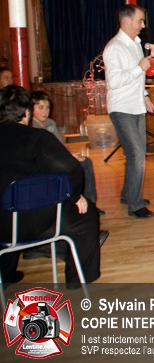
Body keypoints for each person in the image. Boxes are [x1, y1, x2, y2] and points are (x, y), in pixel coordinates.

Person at [0, 86, 102, 288]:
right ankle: (78, 278)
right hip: (37, 220)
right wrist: (75, 196)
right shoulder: (36, 138)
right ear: (27, 113)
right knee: (87, 214)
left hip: (2, 225)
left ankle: (5, 275)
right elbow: (71, 169)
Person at [102, 4, 154, 219]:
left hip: (136, 105)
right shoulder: (115, 47)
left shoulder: (136, 43)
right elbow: (114, 82)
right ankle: (135, 205)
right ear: (126, 22)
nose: (143, 25)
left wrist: (144, 95)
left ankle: (128, 194)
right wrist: (139, 67)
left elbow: (137, 79)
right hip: (122, 107)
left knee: (135, 154)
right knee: (136, 155)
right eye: (139, 21)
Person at [30, 91, 101, 211]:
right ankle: (78, 201)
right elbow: (46, 151)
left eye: (47, 107)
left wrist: (71, 154)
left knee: (86, 161)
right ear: (31, 109)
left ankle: (90, 202)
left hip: (59, 158)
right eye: (40, 107)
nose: (45, 111)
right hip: (47, 162)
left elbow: (60, 145)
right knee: (77, 166)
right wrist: (69, 157)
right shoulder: (32, 127)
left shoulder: (50, 123)